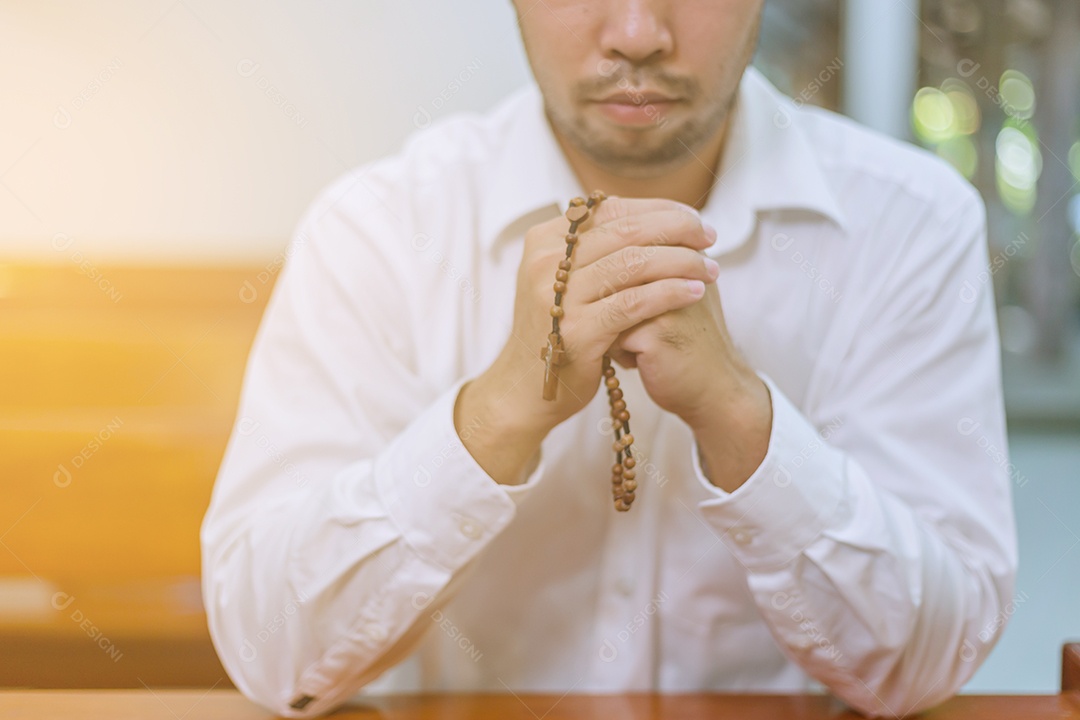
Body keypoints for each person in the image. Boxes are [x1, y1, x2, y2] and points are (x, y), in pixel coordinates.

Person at [200, 1, 1017, 717]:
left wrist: (740, 415)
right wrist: (498, 414)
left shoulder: (912, 226)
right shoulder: (375, 231)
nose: (636, 34)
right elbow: (275, 660)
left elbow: (927, 666)